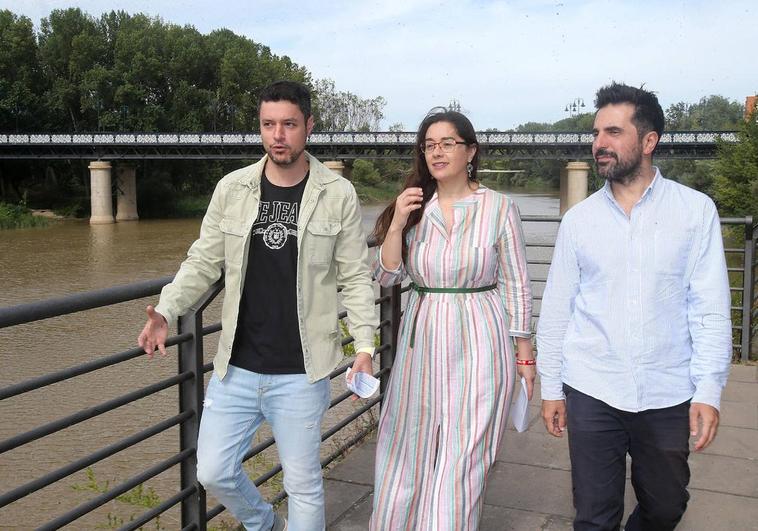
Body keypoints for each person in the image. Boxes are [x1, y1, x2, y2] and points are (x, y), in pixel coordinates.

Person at [137, 80, 378, 531]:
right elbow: (203, 260)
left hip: (301, 370)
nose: (278, 135)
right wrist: (167, 311)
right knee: (212, 471)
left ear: (308, 126)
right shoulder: (233, 188)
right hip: (237, 366)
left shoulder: (337, 193)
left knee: (303, 485)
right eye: (269, 125)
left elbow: (354, 278)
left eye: (288, 124)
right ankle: (266, 524)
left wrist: (364, 346)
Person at [537, 82, 732, 531]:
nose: (598, 144)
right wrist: (551, 388)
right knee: (592, 517)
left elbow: (709, 309)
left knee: (665, 507)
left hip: (667, 389)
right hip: (592, 387)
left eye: (612, 132)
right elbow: (557, 311)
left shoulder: (695, 212)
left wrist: (708, 390)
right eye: (596, 133)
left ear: (648, 141)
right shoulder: (578, 220)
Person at [369, 108, 535, 530]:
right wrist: (397, 224)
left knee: (465, 459)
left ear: (470, 151)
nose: (437, 152)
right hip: (421, 342)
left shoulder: (499, 208)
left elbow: (517, 284)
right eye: (429, 145)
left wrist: (525, 357)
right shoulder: (414, 207)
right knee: (407, 447)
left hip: (481, 340)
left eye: (447, 143)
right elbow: (387, 276)